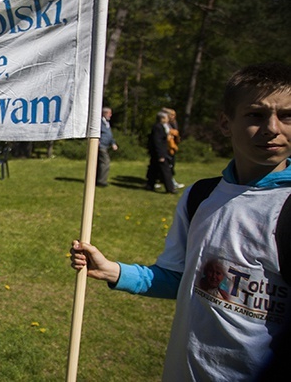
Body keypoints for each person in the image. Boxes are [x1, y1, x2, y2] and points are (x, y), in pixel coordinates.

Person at [71, 63, 291, 381]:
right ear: (225, 123)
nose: (272, 127)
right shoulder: (200, 196)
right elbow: (181, 279)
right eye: (256, 115)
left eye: (287, 115)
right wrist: (113, 271)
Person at [144, 111, 176, 193]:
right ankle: (170, 188)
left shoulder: (160, 127)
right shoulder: (158, 127)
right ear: (161, 118)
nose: (167, 119)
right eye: (166, 118)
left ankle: (149, 185)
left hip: (158, 152)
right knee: (166, 170)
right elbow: (157, 142)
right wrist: (161, 155)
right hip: (159, 152)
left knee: (154, 169)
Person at [162, 107, 184, 189]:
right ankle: (170, 182)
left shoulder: (173, 123)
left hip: (172, 146)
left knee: (171, 165)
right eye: (171, 115)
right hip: (167, 147)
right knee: (168, 166)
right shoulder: (164, 124)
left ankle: (168, 180)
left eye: (174, 115)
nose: (173, 116)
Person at [97, 107, 118, 187]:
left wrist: (113, 143)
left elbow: (109, 135)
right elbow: (97, 132)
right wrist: (97, 140)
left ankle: (98, 179)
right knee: (105, 162)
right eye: (110, 113)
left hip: (106, 146)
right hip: (101, 145)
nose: (111, 115)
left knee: (100, 163)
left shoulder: (107, 122)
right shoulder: (100, 122)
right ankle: (101, 181)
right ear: (105, 113)